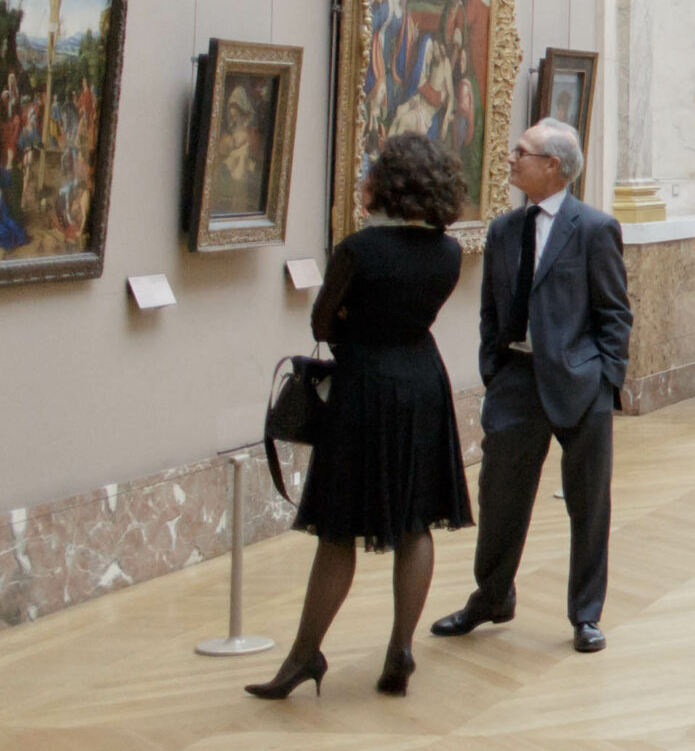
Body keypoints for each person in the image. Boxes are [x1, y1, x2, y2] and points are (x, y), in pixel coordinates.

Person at [247, 135, 474, 700]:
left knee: (337, 528)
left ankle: (305, 654)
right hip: (423, 381)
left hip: (365, 387)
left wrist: (350, 316)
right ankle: (400, 647)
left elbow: (323, 325)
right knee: (415, 521)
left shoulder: (358, 251)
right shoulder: (447, 253)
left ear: (386, 184)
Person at [433, 119, 633, 656]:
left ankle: (586, 614)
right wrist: (492, 368)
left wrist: (605, 379)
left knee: (589, 504)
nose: (510, 158)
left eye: (520, 152)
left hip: (578, 383)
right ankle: (492, 596)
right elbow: (492, 310)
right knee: (499, 496)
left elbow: (615, 313)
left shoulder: (593, 228)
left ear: (553, 166)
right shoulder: (503, 229)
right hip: (516, 382)